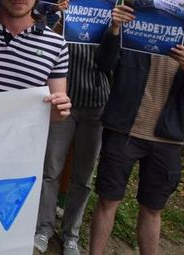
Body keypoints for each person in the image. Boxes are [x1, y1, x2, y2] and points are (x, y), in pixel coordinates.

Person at [88, 0, 184, 255]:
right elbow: (103, 65)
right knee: (107, 200)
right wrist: (115, 29)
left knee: (153, 209)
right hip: (123, 128)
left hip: (168, 137)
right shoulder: (129, 25)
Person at [35, 40, 111, 255]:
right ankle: (43, 229)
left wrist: (113, 31)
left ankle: (71, 236)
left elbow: (111, 62)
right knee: (50, 170)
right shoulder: (63, 12)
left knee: (84, 177)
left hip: (96, 107)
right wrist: (59, 16)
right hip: (62, 102)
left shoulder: (110, 13)